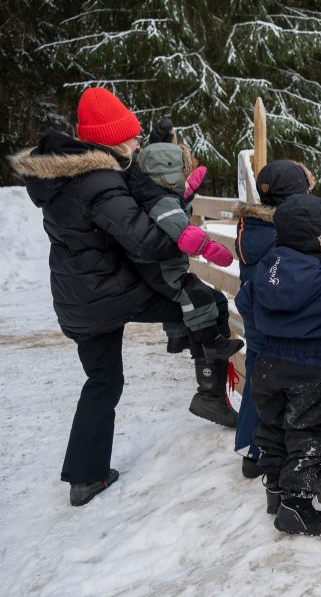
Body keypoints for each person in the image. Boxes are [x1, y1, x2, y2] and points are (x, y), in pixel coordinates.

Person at [6, 87, 228, 506]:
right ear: (108, 141)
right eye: (129, 137)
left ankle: (85, 477)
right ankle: (209, 393)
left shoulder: (66, 177)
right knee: (206, 304)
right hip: (111, 293)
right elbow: (144, 242)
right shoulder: (100, 182)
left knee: (102, 380)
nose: (135, 143)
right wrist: (182, 236)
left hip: (78, 297)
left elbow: (133, 196)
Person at [235, 193, 321, 535]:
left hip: (267, 363)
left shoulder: (267, 265)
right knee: (311, 432)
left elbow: (244, 300)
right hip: (311, 367)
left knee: (275, 427)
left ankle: (276, 490)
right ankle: (298, 503)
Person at [124, 122, 243, 427]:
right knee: (198, 296)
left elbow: (172, 207)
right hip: (159, 270)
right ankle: (208, 350)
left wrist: (186, 195)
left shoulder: (149, 188)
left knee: (214, 301)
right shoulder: (159, 199)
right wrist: (212, 249)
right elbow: (182, 232)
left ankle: (209, 394)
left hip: (161, 266)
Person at [231, 160, 315, 479]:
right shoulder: (288, 230)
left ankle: (252, 452)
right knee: (281, 383)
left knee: (258, 374)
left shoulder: (251, 227)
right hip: (279, 321)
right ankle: (278, 454)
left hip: (255, 316)